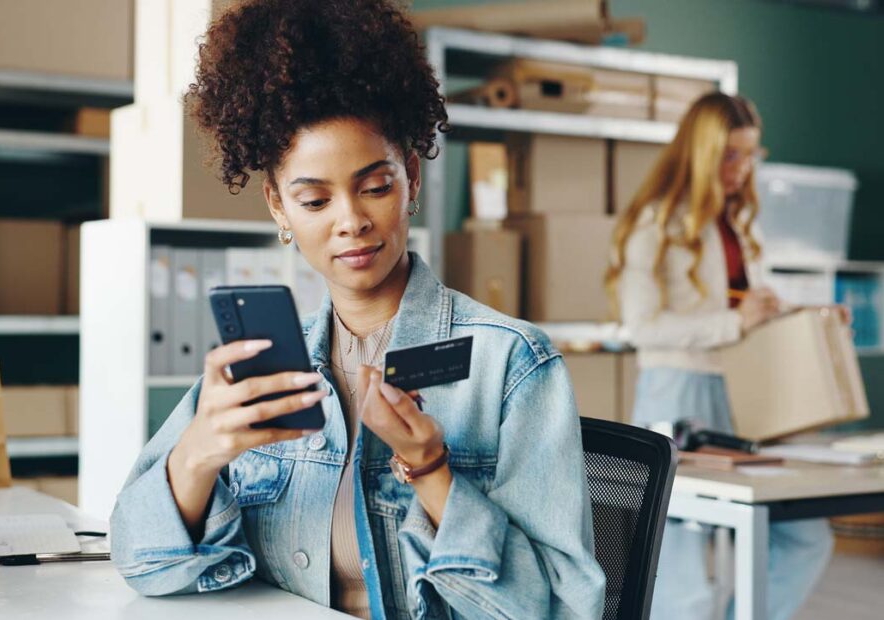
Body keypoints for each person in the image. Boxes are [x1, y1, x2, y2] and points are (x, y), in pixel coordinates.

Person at [110, 1, 605, 618]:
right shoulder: (266, 367)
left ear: (413, 180)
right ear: (278, 209)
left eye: (376, 186)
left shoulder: (511, 364)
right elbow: (139, 559)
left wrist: (430, 469)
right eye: (314, 201)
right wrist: (200, 452)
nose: (352, 222)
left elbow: (561, 607)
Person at [606, 93, 833, 620]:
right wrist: (736, 321)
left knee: (804, 536)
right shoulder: (653, 224)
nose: (742, 169)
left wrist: (812, 314)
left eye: (750, 155)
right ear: (701, 153)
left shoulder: (740, 222)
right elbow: (643, 327)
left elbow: (751, 306)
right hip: (679, 393)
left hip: (742, 393)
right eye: (730, 155)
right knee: (681, 568)